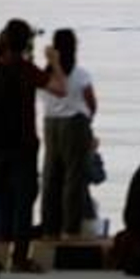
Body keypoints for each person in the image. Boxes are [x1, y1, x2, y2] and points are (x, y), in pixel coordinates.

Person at [0, 18, 66, 272]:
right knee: (23, 203)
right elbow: (60, 88)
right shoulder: (26, 69)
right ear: (26, 42)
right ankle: (19, 259)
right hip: (23, 146)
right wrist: (55, 61)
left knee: (0, 202)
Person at [40, 28, 96, 239]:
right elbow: (91, 102)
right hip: (75, 122)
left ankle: (49, 227)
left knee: (51, 176)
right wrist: (89, 120)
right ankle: (70, 228)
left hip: (50, 123)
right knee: (74, 177)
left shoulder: (45, 74)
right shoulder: (80, 74)